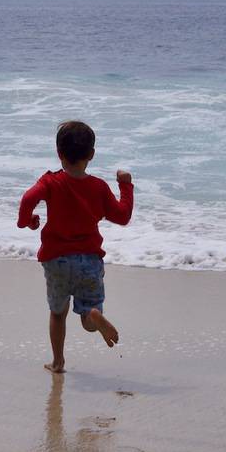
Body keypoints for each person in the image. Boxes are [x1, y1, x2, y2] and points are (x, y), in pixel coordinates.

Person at [17, 120, 134, 373]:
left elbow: (28, 198)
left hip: (57, 260)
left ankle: (58, 362)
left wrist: (26, 222)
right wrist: (125, 186)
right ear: (91, 155)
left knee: (58, 312)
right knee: (86, 314)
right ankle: (94, 317)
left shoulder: (50, 182)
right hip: (89, 261)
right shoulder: (98, 187)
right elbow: (123, 216)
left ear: (59, 153)